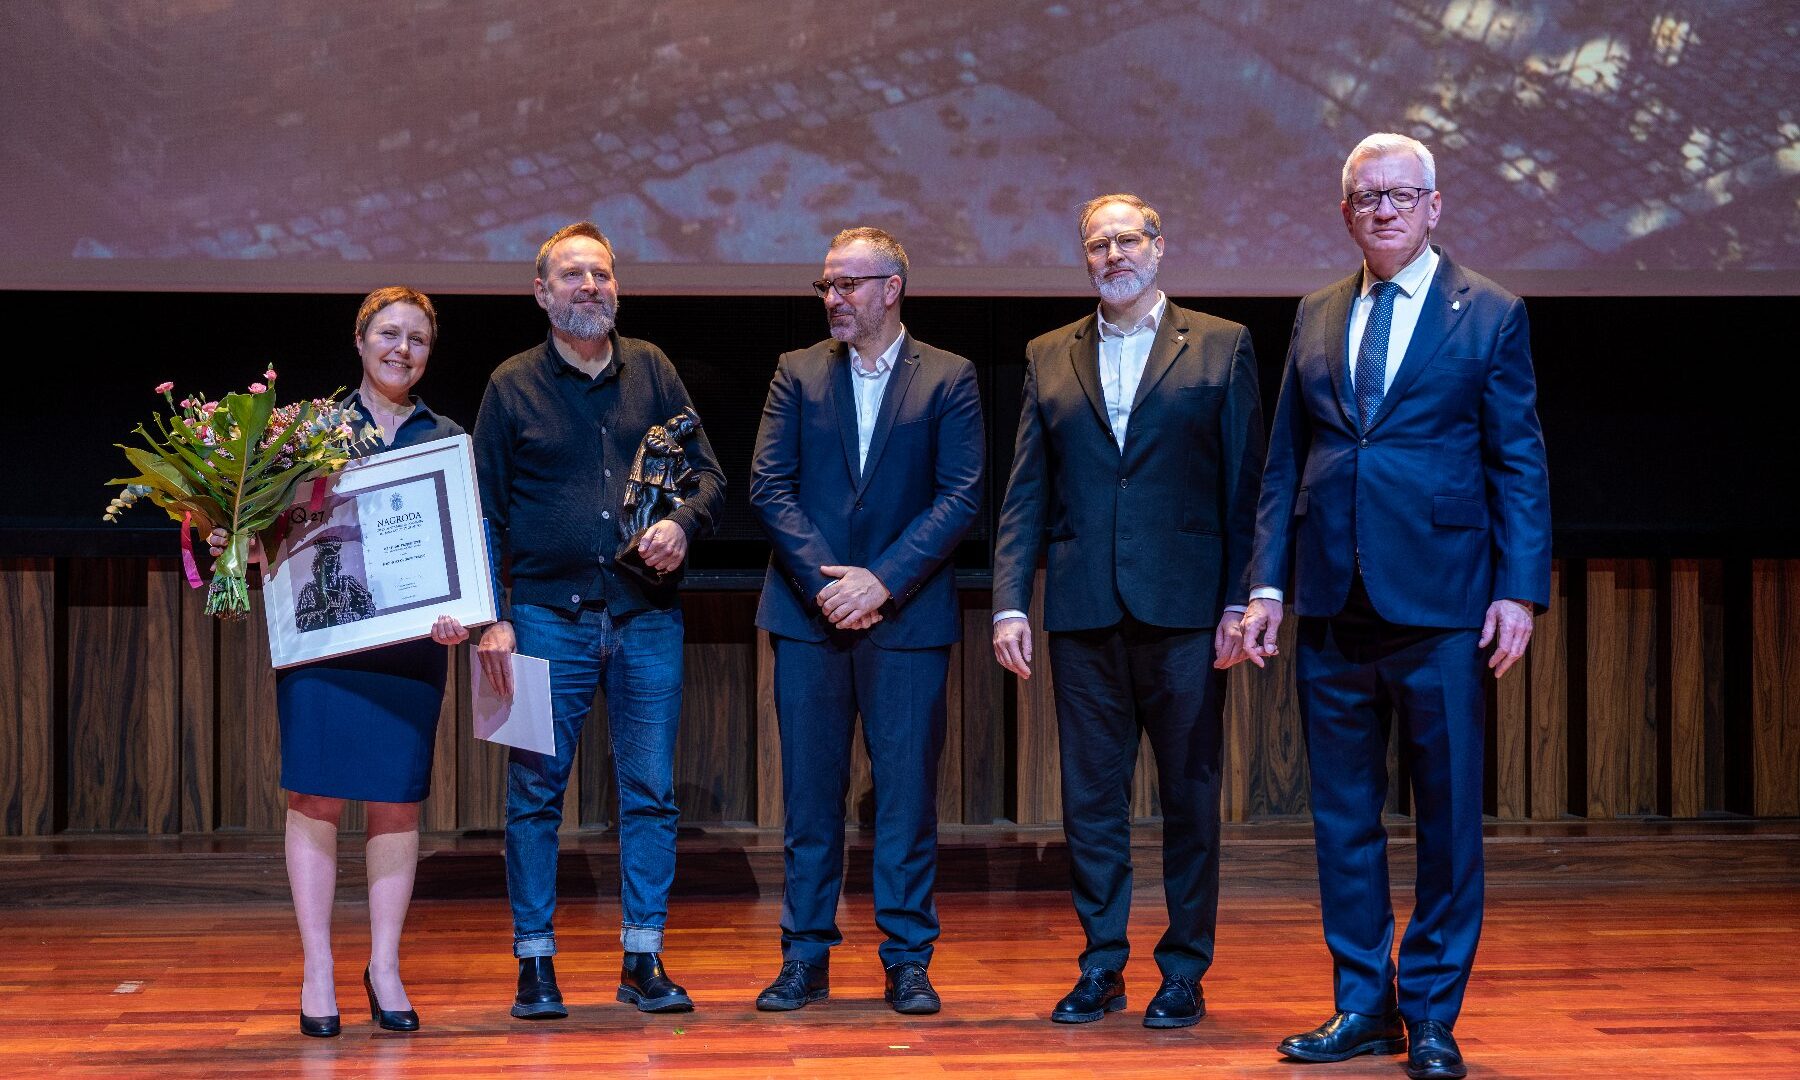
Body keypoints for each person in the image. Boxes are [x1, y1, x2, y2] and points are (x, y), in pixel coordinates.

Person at [1235, 133, 1551, 1080]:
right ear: (1345, 213)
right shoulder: (1316, 311)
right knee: (1343, 820)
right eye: (1366, 197)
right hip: (1333, 599)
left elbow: (1518, 462)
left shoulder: (1490, 311)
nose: (1383, 210)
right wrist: (1266, 583)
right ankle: (1364, 1007)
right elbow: (1285, 460)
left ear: (1433, 207)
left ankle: (1435, 1016)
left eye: (1400, 196)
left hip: (1444, 603)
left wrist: (1519, 588)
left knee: (1447, 822)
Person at [990, 194, 1265, 1028]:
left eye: (1127, 239)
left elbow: (1245, 487)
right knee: (1091, 801)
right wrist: (1009, 603)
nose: (1114, 254)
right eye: (1098, 243)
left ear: (1159, 245)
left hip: (1187, 611)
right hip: (1082, 611)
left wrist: (1241, 598)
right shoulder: (1048, 353)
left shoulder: (1220, 343)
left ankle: (1183, 970)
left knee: (1190, 797)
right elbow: (1025, 492)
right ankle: (1101, 963)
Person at [472, 221, 725, 1020]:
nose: (590, 286)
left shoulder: (652, 369)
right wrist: (492, 619)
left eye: (602, 274)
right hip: (543, 620)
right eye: (573, 274)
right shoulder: (511, 385)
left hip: (647, 618)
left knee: (650, 794)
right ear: (541, 292)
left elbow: (708, 477)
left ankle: (643, 959)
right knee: (534, 796)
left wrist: (681, 524)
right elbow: (484, 514)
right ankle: (535, 964)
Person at [211, 286, 475, 1037]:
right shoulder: (310, 432)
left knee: (397, 800)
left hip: (413, 648)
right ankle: (318, 966)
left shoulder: (447, 437)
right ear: (360, 342)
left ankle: (384, 966)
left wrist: (464, 608)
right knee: (316, 796)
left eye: (417, 339)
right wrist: (237, 543)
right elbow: (266, 531)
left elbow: (468, 538)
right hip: (324, 647)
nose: (402, 349)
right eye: (388, 334)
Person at [748, 227, 984, 1015]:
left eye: (847, 285)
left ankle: (908, 959)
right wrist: (832, 587)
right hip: (809, 616)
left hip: (906, 619)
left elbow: (961, 495)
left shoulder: (949, 375)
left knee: (906, 800)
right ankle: (804, 956)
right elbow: (769, 486)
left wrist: (881, 582)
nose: (833, 299)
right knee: (809, 799)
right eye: (826, 285)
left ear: (892, 288)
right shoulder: (796, 371)